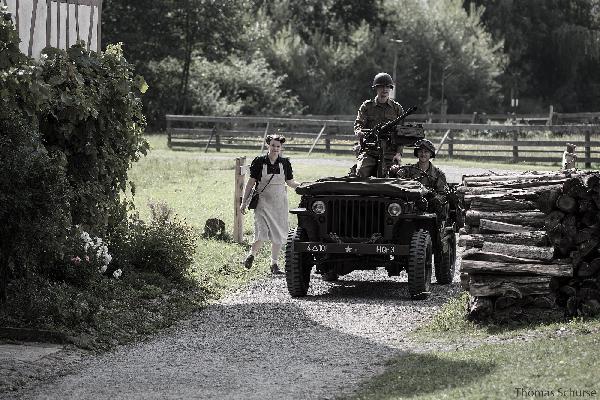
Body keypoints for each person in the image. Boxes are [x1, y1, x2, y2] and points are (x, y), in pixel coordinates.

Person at [240, 134, 300, 275]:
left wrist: (304, 186)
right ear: (268, 145)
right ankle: (251, 255)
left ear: (281, 148)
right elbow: (250, 183)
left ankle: (274, 264)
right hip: (262, 202)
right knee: (261, 232)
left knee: (278, 235)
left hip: (279, 204)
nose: (275, 148)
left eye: (278, 146)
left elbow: (290, 182)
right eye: (273, 145)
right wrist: (244, 202)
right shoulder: (259, 161)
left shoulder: (285, 163)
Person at [353, 72, 405, 177]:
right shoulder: (367, 106)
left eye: (387, 87)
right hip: (370, 151)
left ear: (390, 89)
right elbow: (358, 124)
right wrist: (359, 132)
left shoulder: (397, 109)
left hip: (390, 153)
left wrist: (398, 153)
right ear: (376, 88)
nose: (385, 90)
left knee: (395, 176)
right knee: (361, 173)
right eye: (381, 87)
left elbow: (402, 133)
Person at [391, 139, 449, 216]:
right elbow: (398, 179)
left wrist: (432, 199)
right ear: (417, 153)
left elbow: (443, 195)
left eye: (426, 152)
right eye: (420, 151)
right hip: (410, 208)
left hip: (430, 209)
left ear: (431, 154)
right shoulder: (408, 169)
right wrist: (394, 170)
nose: (423, 154)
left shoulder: (438, 174)